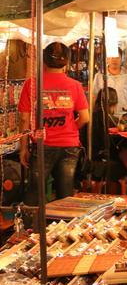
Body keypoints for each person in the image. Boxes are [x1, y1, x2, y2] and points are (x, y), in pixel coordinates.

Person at [19, 42, 90, 204]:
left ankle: (31, 221)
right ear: (67, 62)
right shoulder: (75, 85)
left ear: (43, 61)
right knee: (65, 194)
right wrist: (70, 127)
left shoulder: (31, 84)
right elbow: (85, 118)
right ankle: (64, 220)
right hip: (69, 145)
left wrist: (23, 148)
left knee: (35, 193)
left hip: (42, 145)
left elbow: (24, 119)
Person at [81, 87, 127, 192]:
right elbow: (123, 145)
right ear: (114, 104)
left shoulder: (87, 118)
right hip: (103, 164)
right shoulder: (114, 121)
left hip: (86, 161)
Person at [92, 48, 127, 115]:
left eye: (117, 57)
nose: (114, 60)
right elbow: (94, 96)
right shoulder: (99, 76)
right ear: (107, 59)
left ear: (121, 58)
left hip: (124, 114)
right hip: (105, 116)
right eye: (111, 57)